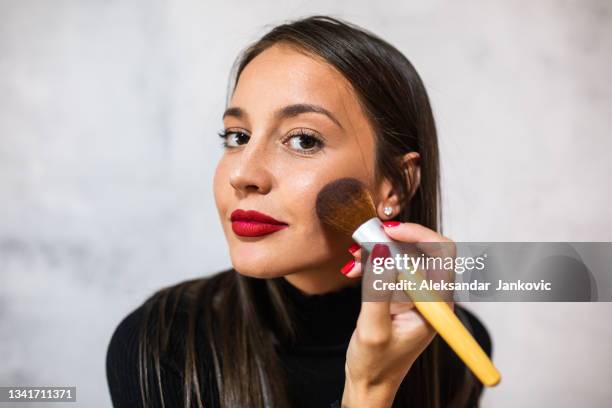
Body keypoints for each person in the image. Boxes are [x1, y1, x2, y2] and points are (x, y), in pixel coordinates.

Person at [106, 15, 493, 408]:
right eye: (237, 137)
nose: (242, 174)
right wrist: (368, 393)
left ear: (393, 185)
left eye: (303, 140)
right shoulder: (162, 345)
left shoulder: (457, 349)